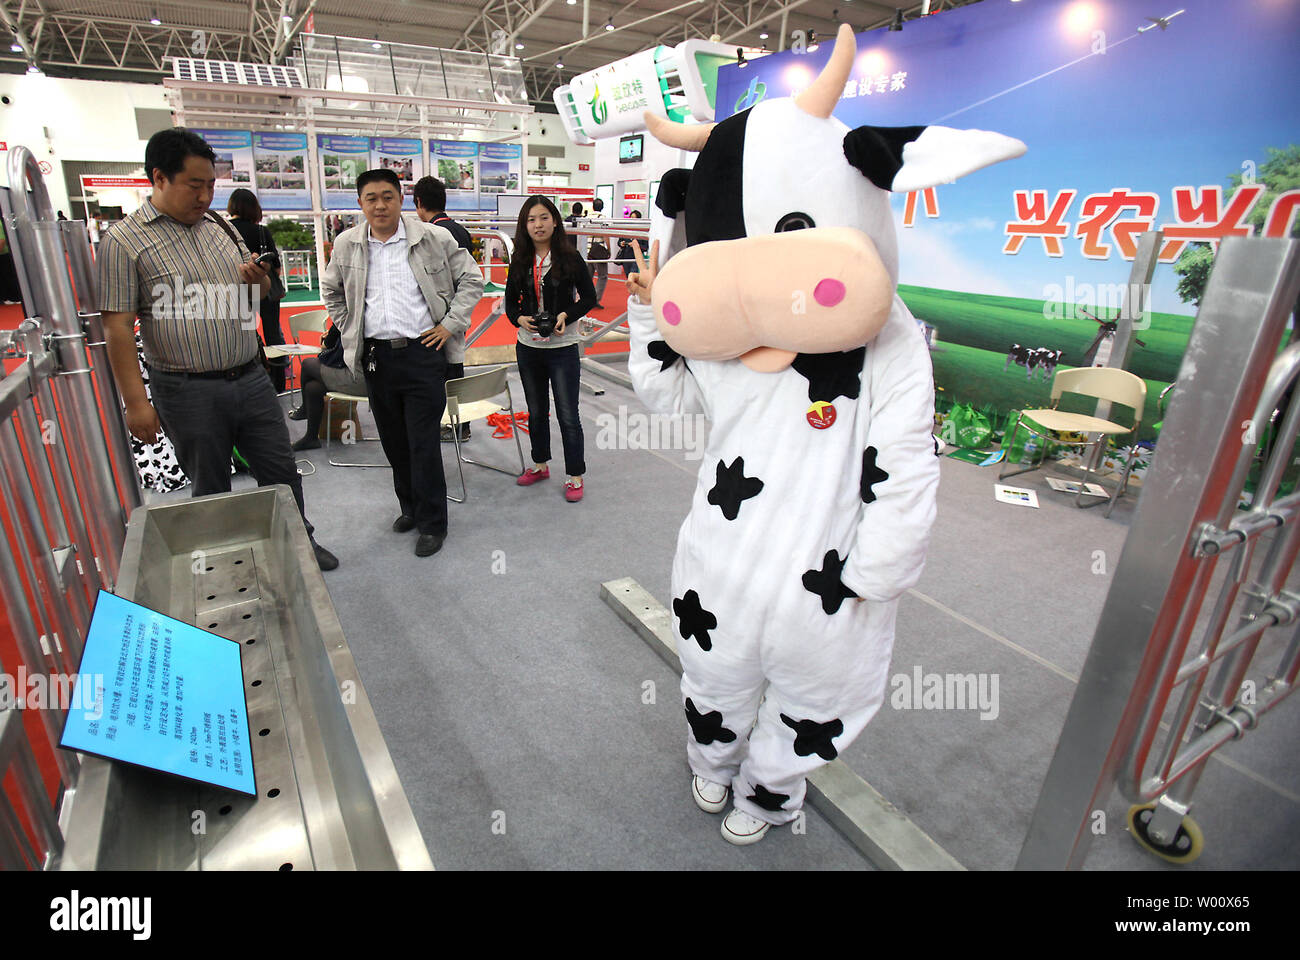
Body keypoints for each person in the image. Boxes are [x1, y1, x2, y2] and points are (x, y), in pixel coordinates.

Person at [97, 127, 337, 570]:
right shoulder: (123, 242)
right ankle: (227, 562)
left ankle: (300, 544)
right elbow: (115, 327)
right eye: (194, 184)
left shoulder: (220, 227)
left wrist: (258, 281)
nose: (205, 195)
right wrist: (136, 404)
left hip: (249, 376)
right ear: (159, 178)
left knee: (281, 472)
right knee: (211, 484)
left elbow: (261, 291)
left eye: (211, 185)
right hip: (186, 389)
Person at [321, 169, 484, 557]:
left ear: (402, 200)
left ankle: (433, 523)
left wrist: (449, 325)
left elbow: (472, 280)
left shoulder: (434, 238)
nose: (380, 205)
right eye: (371, 198)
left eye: (388, 196)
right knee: (395, 443)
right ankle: (409, 508)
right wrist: (351, 328)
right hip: (376, 356)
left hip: (423, 353)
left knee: (423, 442)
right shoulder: (347, 245)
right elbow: (331, 291)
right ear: (361, 203)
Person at [503, 195, 597, 502]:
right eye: (531, 220)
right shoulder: (519, 259)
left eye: (543, 217)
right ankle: (540, 464)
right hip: (528, 346)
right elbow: (508, 304)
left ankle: (574, 476)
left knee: (568, 413)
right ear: (524, 225)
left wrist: (564, 315)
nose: (538, 225)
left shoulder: (569, 258)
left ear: (555, 221)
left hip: (563, 346)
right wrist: (520, 319)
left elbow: (587, 297)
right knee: (536, 411)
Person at [413, 175, 475, 444]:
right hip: (455, 317)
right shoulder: (460, 230)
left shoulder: (433, 234)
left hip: (440, 320)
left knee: (445, 377)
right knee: (455, 372)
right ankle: (462, 425)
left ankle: (454, 425)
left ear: (418, 203)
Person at [226, 188, 287, 392]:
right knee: (273, 333)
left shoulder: (224, 231)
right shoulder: (260, 231)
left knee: (246, 332)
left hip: (240, 289)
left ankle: (251, 377)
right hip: (266, 289)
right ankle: (279, 379)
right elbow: (275, 264)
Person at [289, 322, 370, 451]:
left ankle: (305, 410)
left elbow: (329, 343)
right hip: (357, 374)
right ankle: (311, 438)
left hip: (362, 379)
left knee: (307, 364)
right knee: (312, 388)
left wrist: (330, 338)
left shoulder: (351, 314)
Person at [587, 197, 610, 308]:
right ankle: (595, 299)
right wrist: (609, 249)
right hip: (598, 251)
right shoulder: (603, 218)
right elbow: (605, 234)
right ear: (602, 207)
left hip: (587, 251)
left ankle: (587, 298)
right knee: (602, 276)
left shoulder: (587, 217)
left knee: (588, 276)